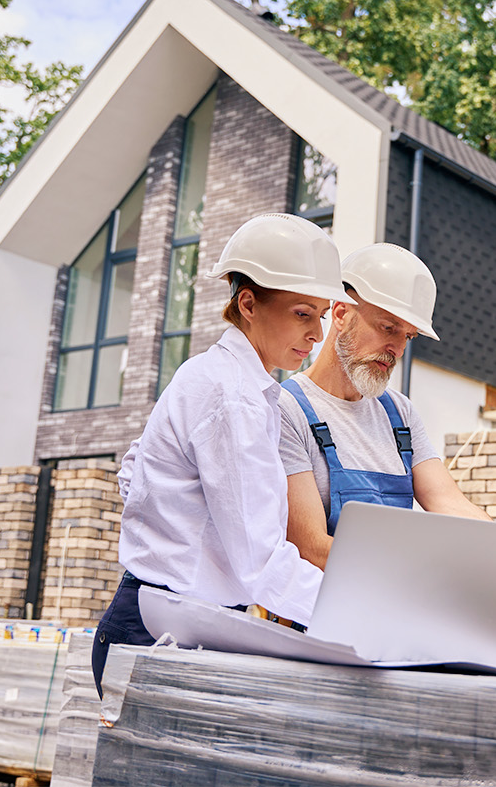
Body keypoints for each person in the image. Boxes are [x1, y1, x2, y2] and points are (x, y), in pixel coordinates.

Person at [91, 212, 351, 694]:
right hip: (163, 633)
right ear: (248, 303)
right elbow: (262, 565)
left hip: (170, 618)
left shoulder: (219, 379)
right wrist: (361, 617)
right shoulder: (232, 396)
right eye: (302, 313)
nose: (317, 334)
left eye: (320, 315)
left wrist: (176, 530)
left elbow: (135, 470)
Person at [279, 243, 492, 569]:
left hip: (390, 602)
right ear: (340, 313)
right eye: (387, 327)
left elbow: (447, 501)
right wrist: (410, 571)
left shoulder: (399, 415)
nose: (396, 349)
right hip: (316, 610)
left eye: (408, 336)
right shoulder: (287, 409)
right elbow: (310, 547)